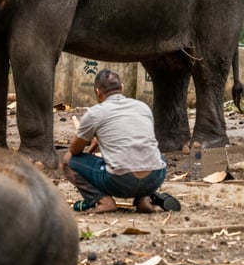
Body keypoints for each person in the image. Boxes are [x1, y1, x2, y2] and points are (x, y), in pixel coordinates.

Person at [62, 68, 180, 214]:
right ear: (122, 88)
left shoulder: (94, 114)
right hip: (155, 177)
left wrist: (91, 139)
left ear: (98, 93)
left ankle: (104, 201)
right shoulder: (143, 107)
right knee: (153, 154)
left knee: (67, 160)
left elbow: (74, 151)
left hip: (120, 182)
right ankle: (143, 198)